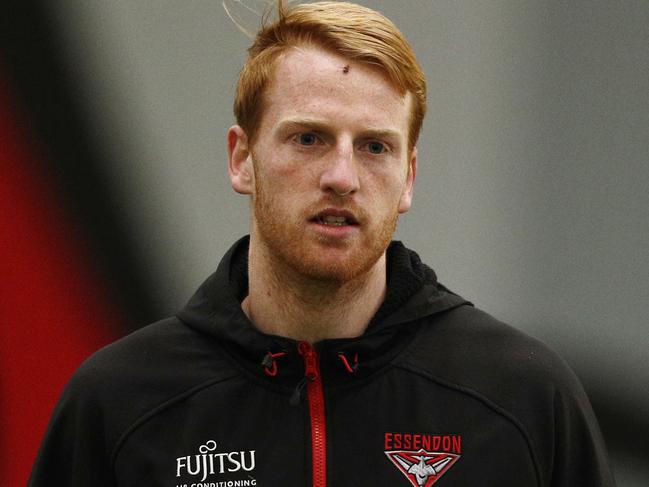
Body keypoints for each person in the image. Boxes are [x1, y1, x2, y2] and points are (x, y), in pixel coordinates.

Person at [29, 1, 615, 486]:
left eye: (375, 146)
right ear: (242, 159)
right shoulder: (120, 404)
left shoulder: (525, 400)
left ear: (409, 178)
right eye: (309, 138)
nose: (342, 175)